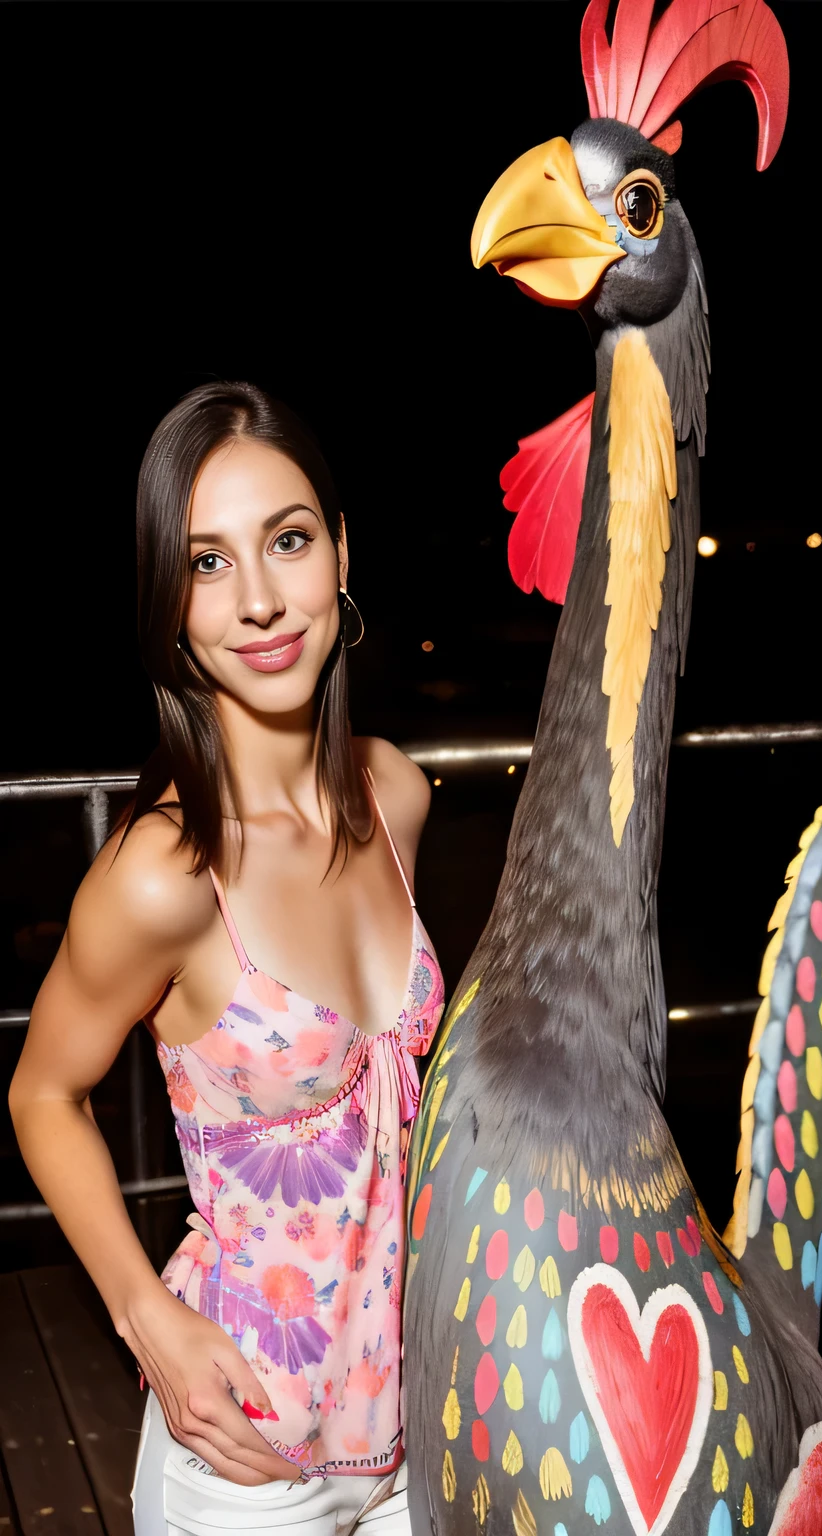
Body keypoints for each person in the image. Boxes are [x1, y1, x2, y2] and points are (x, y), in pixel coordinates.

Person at [9, 381, 444, 1535]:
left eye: (287, 541)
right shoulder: (166, 876)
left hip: (432, 1427)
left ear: (340, 554)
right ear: (170, 603)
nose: (259, 601)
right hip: (250, 1454)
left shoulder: (394, 794)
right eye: (207, 564)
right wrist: (146, 1316)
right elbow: (43, 1092)